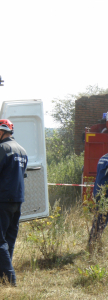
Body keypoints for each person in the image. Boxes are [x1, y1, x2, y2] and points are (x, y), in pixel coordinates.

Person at [0, 119, 27, 286]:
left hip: (2, 199)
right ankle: (3, 278)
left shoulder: (3, 148)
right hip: (17, 200)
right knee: (9, 238)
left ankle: (10, 280)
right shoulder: (22, 150)